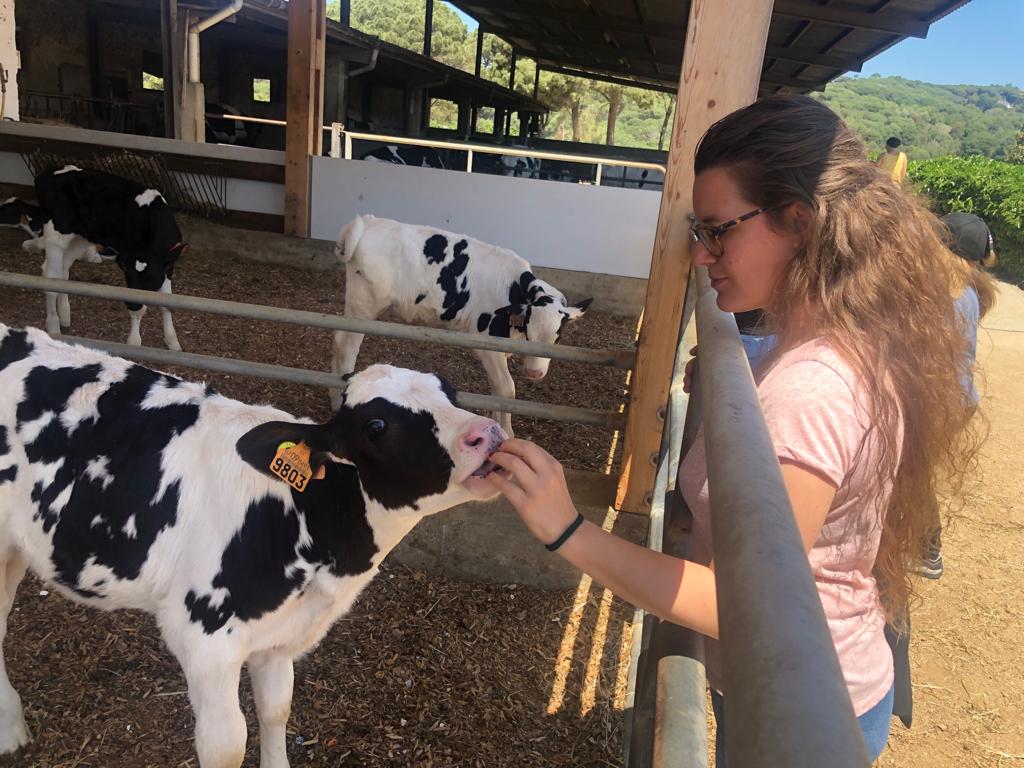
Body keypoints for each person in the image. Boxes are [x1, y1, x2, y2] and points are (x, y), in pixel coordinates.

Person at [484, 95, 984, 765]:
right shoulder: (828, 339)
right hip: (791, 685)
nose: (700, 254)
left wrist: (567, 529)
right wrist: (740, 375)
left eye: (719, 231)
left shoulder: (813, 389)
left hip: (796, 716)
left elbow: (743, 606)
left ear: (798, 223)